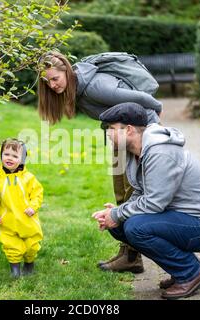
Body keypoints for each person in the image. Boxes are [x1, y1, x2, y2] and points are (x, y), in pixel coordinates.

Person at [37, 51, 162, 273]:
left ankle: (134, 254)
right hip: (118, 140)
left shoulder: (95, 86)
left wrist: (151, 132)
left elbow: (142, 100)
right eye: (47, 82)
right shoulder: (77, 90)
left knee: (133, 192)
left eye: (55, 78)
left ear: (66, 70)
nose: (52, 85)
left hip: (135, 140)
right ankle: (129, 254)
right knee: (121, 194)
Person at [92, 102, 200, 299]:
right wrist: (118, 213)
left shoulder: (160, 152)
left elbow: (154, 203)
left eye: (111, 129)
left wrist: (119, 213)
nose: (108, 134)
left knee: (135, 228)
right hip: (181, 217)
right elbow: (140, 192)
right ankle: (184, 268)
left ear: (128, 130)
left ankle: (190, 273)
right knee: (120, 225)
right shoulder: (134, 152)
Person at [0, 138, 44, 278]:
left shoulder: (29, 178)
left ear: (22, 159)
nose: (9, 158)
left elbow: (37, 194)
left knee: (31, 246)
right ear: (1, 155)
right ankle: (15, 270)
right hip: (7, 222)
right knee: (12, 246)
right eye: (6, 154)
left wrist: (33, 207)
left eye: (15, 156)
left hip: (27, 220)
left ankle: (29, 264)